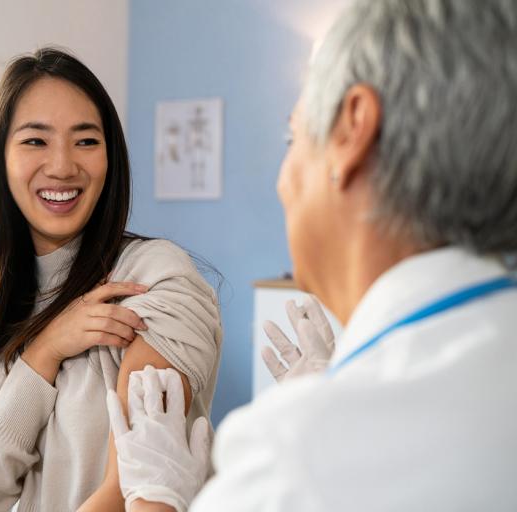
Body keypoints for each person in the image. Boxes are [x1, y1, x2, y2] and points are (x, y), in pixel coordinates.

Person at [106, 0, 517, 510]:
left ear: (352, 129)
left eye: (292, 137)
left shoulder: (299, 457)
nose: (283, 180)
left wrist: (159, 496)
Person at [0, 48, 222, 511]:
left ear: (111, 157)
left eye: (86, 141)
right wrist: (43, 353)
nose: (64, 166)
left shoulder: (154, 277)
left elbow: (126, 491)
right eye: (35, 141)